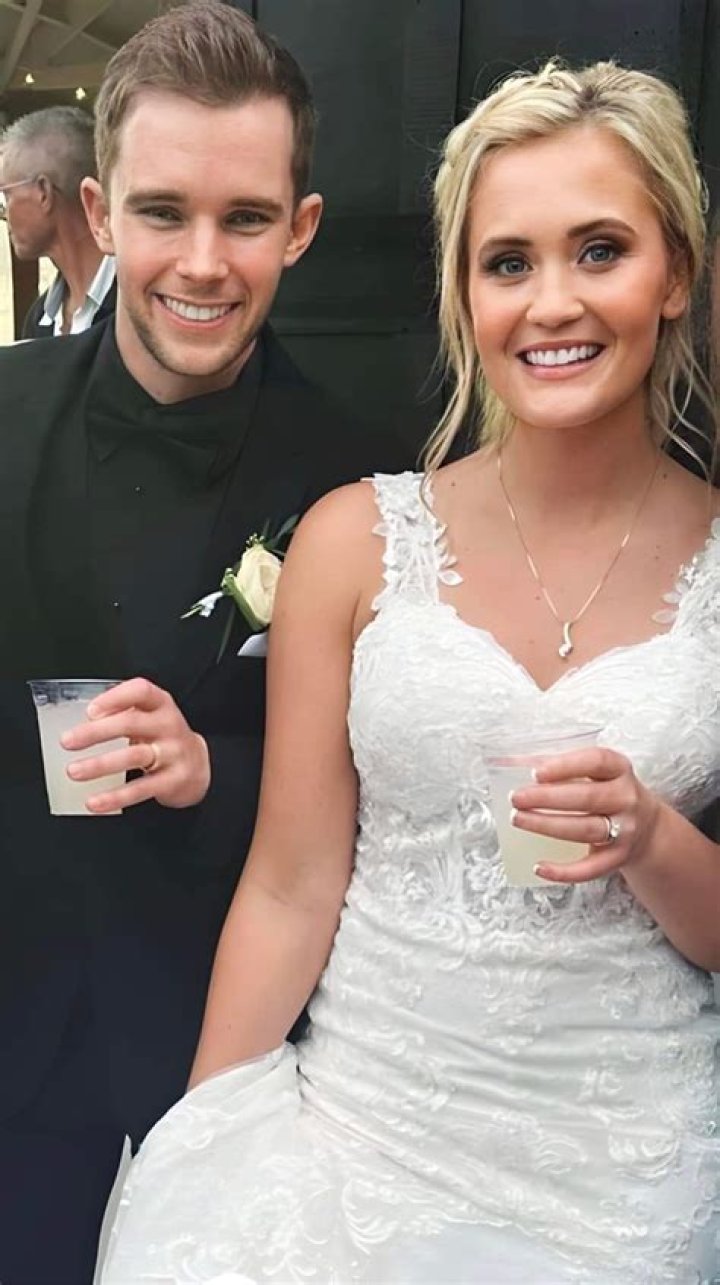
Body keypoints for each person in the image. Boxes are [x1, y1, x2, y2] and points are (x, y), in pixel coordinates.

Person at [102, 59, 720, 1285]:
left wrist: (652, 837)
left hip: (625, 1174)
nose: (552, 302)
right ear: (463, 294)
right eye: (508, 262)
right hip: (354, 1134)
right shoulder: (355, 540)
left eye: (600, 250)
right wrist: (198, 1147)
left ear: (676, 276)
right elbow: (289, 884)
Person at [0, 3, 407, 1283]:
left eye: (245, 219)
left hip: (235, 1041)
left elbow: (390, 779)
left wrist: (213, 768)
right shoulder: (1, 410)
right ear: (102, 211)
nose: (203, 261)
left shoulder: (363, 477)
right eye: (164, 212)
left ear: (303, 227)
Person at [0, 106, 116, 337]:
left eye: (6, 195)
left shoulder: (138, 307)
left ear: (43, 193)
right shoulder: (40, 318)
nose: (4, 213)